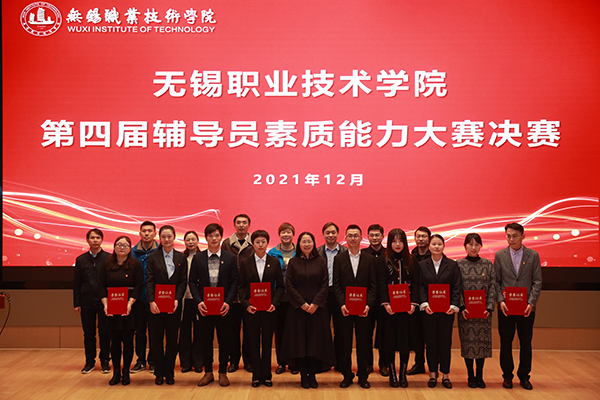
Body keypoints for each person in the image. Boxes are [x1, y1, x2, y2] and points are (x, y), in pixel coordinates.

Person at [282, 232, 336, 389]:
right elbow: (289, 285)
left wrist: (315, 304)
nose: (306, 244)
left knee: (315, 343)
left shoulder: (321, 261)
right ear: (299, 244)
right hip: (298, 310)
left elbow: (325, 285)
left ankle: (312, 375)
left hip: (317, 310)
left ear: (314, 243)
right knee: (300, 343)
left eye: (309, 241)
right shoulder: (293, 262)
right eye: (303, 242)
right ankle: (303, 375)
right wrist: (303, 304)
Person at [189, 223, 239, 387]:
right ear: (206, 238)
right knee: (206, 340)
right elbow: (192, 282)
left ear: (221, 237)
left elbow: (234, 282)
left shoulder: (230, 258)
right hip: (205, 307)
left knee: (225, 340)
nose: (214, 238)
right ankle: (208, 372)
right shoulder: (198, 258)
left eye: (217, 235)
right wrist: (199, 301)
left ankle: (223, 372)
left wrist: (228, 302)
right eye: (210, 236)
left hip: (224, 307)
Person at [495, 222, 542, 391]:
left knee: (525, 343)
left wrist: (531, 302)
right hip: (506, 308)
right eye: (508, 236)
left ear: (523, 236)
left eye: (515, 236)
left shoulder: (533, 255)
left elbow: (537, 281)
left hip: (526, 309)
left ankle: (524, 376)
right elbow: (496, 281)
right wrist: (500, 301)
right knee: (505, 343)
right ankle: (507, 376)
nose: (511, 239)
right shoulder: (500, 255)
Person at [333, 225, 378, 389]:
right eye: (350, 235)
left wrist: (368, 305)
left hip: (364, 310)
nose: (353, 238)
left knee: (364, 343)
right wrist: (342, 304)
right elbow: (336, 284)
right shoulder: (339, 259)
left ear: (361, 238)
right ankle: (347, 375)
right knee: (344, 343)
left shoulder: (369, 259)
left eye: (356, 235)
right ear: (345, 238)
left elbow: (373, 286)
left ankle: (363, 376)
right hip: (345, 309)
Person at [238, 230, 285, 387]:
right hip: (251, 310)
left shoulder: (274, 262)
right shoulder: (245, 262)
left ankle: (267, 375)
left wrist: (274, 303)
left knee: (267, 342)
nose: (260, 245)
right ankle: (256, 376)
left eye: (263, 242)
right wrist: (246, 304)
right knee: (253, 342)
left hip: (269, 309)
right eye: (257, 242)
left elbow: (280, 286)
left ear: (267, 243)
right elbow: (241, 287)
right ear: (253, 244)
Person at [418, 234, 463, 389]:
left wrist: (454, 305)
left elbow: (457, 286)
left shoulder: (452, 265)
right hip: (428, 311)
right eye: (434, 244)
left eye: (439, 244)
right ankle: (432, 374)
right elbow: (420, 286)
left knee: (445, 343)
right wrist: (424, 304)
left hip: (446, 312)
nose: (436, 247)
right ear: (429, 246)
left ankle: (445, 375)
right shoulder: (422, 265)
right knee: (430, 343)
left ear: (444, 246)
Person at [378, 228, 420, 388]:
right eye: (394, 241)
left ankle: (403, 373)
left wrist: (414, 303)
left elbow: (416, 283)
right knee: (389, 342)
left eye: (400, 241)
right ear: (389, 243)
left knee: (404, 343)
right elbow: (381, 283)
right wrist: (385, 303)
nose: (397, 244)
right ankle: (392, 374)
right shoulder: (383, 260)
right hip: (389, 309)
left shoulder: (412, 260)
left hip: (407, 309)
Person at [99, 236, 144, 386]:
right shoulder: (106, 265)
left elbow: (138, 286)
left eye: (125, 245)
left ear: (130, 248)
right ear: (114, 247)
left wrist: (130, 303)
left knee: (128, 341)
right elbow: (101, 285)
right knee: (115, 341)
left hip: (130, 309)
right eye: (119, 245)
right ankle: (116, 372)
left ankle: (126, 372)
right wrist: (106, 305)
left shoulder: (135, 265)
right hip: (111, 309)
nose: (122, 247)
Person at [146, 225, 188, 385]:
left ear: (174, 237)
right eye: (163, 236)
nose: (166, 239)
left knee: (172, 340)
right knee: (156, 340)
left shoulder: (181, 257)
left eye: (169, 236)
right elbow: (149, 280)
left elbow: (183, 281)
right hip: (156, 306)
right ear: (159, 238)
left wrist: (177, 299)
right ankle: (159, 372)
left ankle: (169, 372)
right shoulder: (153, 257)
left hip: (174, 306)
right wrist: (151, 301)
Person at [457, 233, 496, 388]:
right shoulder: (458, 264)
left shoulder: (488, 264)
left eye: (476, 244)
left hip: (483, 313)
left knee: (481, 344)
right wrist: (462, 306)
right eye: (470, 244)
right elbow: (456, 288)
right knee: (468, 344)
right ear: (465, 246)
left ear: (481, 246)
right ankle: (470, 376)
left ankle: (480, 375)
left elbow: (493, 286)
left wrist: (489, 307)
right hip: (466, 313)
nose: (473, 247)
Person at [73, 228, 111, 374]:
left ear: (102, 240)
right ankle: (90, 362)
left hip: (104, 302)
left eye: (98, 238)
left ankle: (105, 361)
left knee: (105, 332)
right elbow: (77, 282)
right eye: (92, 238)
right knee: (88, 334)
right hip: (86, 302)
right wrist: (77, 303)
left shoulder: (108, 258)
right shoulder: (81, 259)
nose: (95, 240)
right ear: (87, 240)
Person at [221, 213, 254, 373]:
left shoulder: (255, 242)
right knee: (232, 331)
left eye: (244, 222)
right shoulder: (226, 243)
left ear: (249, 225)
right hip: (231, 295)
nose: (241, 225)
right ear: (234, 225)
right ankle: (233, 361)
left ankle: (249, 361)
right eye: (238, 223)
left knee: (250, 330)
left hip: (250, 295)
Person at [267, 222, 298, 375]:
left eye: (288, 232)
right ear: (279, 235)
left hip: (296, 298)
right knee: (279, 331)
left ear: (293, 234)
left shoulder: (300, 251)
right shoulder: (272, 253)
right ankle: (281, 362)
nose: (286, 234)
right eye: (283, 232)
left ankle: (294, 363)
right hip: (278, 298)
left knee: (295, 332)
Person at [316, 222, 348, 369]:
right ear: (323, 234)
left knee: (341, 331)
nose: (330, 235)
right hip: (322, 294)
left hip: (340, 295)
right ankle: (324, 362)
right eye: (327, 232)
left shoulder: (345, 252)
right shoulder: (317, 252)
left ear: (338, 234)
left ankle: (340, 363)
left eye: (333, 232)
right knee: (322, 330)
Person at [130, 221, 159, 374]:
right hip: (137, 299)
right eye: (144, 231)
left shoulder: (161, 251)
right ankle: (140, 361)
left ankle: (153, 361)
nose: (147, 233)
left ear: (155, 233)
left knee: (155, 332)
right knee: (139, 332)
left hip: (155, 299)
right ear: (139, 233)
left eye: (150, 231)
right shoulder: (132, 252)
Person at [363, 223, 388, 376]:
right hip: (367, 300)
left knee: (384, 333)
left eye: (377, 235)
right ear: (367, 237)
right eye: (371, 235)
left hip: (385, 301)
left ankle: (384, 364)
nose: (374, 238)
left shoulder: (389, 254)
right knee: (366, 333)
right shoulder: (363, 254)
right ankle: (367, 364)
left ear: (382, 236)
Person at [406, 226, 431, 376]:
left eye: (424, 236)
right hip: (415, 301)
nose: (421, 239)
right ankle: (419, 364)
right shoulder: (410, 257)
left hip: (431, 300)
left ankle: (434, 365)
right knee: (417, 335)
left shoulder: (435, 255)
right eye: (418, 236)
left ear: (429, 238)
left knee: (431, 335)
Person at [179, 231, 203, 373]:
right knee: (184, 332)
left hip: (199, 299)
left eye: (193, 239)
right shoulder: (181, 258)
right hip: (184, 299)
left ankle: (198, 362)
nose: (191, 242)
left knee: (200, 331)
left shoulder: (202, 257)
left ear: (197, 241)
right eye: (188, 240)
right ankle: (186, 363)